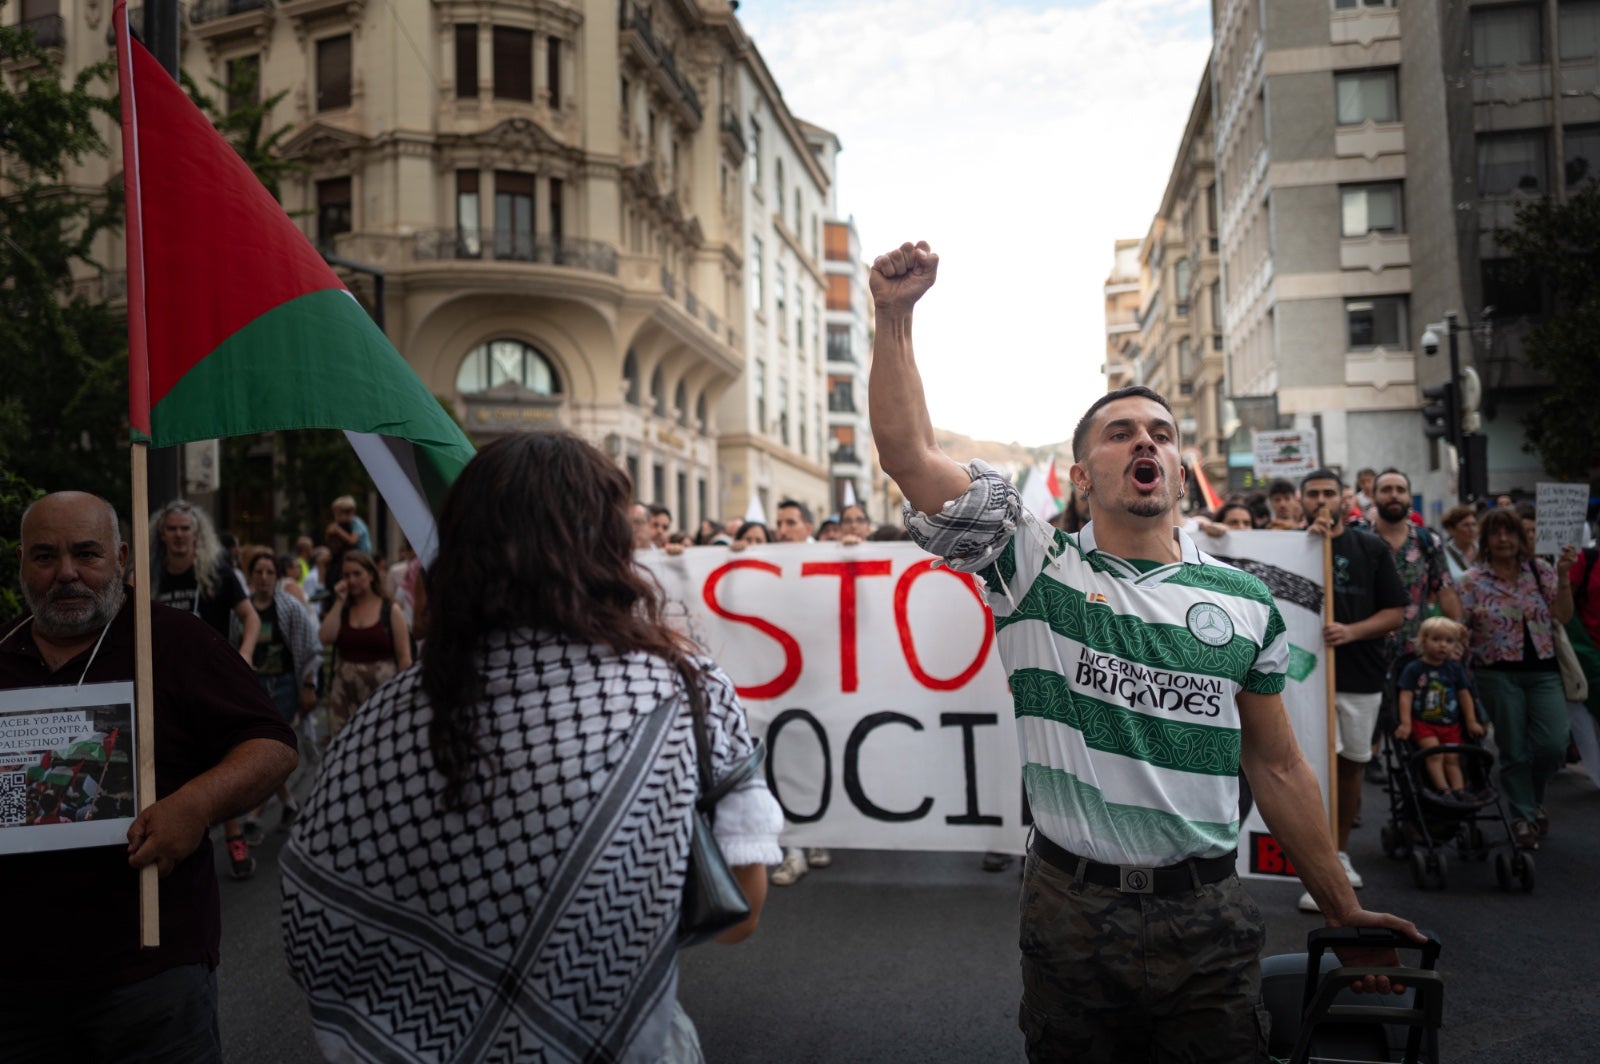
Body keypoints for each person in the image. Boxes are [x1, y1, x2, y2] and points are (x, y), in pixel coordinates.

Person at [867, 240, 1418, 1062]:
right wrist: (896, 317)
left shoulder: (1244, 601)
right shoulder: (1032, 566)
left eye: (1159, 432)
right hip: (1069, 912)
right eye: (1119, 433)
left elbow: (1277, 768)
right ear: (1083, 475)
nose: (1144, 443)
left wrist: (1339, 905)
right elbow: (911, 458)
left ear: (1179, 467)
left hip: (1208, 913)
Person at [281, 432, 781, 1062]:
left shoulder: (390, 711)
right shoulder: (678, 689)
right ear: (607, 545)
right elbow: (742, 910)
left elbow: (313, 916)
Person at [0, 492, 297, 1060]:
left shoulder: (175, 641)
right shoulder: (4, 653)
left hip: (150, 981)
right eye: (44, 556)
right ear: (21, 563)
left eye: (86, 554)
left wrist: (197, 804)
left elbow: (273, 744)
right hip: (17, 987)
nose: (66, 573)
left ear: (123, 557)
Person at [1299, 468, 1406, 912]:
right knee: (1311, 771)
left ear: (1345, 499)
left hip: (1359, 675)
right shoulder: (1291, 546)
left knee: (1351, 766)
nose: (1321, 500)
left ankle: (1339, 853)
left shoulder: (1371, 547)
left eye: (1329, 493)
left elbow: (1396, 612)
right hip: (1304, 677)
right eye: (1313, 494)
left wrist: (1352, 631)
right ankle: (1315, 863)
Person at [150, 499, 262, 878]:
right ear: (161, 534)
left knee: (218, 757)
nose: (180, 535)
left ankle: (232, 835)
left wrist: (244, 653)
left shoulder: (218, 572)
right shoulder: (151, 575)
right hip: (165, 681)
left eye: (186, 528)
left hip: (211, 680)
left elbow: (251, 618)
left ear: (197, 534)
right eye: (173, 529)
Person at [1457, 507, 1578, 849]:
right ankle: (1523, 816)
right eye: (1496, 533)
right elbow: (1459, 628)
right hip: (1496, 674)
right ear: (1486, 539)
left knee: (1553, 744)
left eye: (1510, 532)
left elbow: (1563, 616)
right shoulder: (1471, 580)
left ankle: (1532, 799)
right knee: (1513, 749)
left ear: (1523, 537)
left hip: (1543, 671)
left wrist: (1565, 576)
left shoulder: (1541, 571)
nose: (1504, 539)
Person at [767, 497, 833, 885]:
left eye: (790, 522)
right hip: (782, 681)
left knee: (822, 758)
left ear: (808, 527)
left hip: (824, 680)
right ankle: (795, 850)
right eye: (779, 523)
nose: (783, 529)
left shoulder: (829, 560)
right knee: (786, 762)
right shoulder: (764, 562)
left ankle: (821, 835)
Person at [239, 550, 321, 840]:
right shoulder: (242, 609)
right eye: (258, 572)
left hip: (284, 685)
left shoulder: (289, 608)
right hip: (253, 686)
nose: (263, 578)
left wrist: (308, 686)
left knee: (273, 748)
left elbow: (309, 648)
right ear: (250, 576)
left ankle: (254, 814)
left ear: (277, 576)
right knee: (261, 747)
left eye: (269, 572)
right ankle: (288, 803)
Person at [318, 549, 412, 740]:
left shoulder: (390, 610)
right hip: (344, 695)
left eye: (357, 574)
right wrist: (339, 602)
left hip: (382, 694)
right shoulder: (343, 610)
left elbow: (404, 657)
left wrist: (403, 696)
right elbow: (325, 637)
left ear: (370, 575)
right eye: (346, 575)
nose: (351, 580)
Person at [1370, 469, 1461, 657]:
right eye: (1386, 490)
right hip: (1369, 652)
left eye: (1400, 490)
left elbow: (1445, 591)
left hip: (1417, 653)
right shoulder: (1360, 540)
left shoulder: (1427, 542)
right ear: (1374, 497)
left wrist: (1457, 630)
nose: (1394, 495)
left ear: (1410, 497)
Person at [1394, 616, 1484, 798]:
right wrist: (1405, 723)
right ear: (1423, 641)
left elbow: (1464, 695)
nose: (1443, 645)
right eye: (1436, 640)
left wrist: (1471, 721)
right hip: (1424, 723)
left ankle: (1460, 790)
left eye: (1449, 641)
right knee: (1434, 755)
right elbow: (1406, 695)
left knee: (1453, 758)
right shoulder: (1414, 668)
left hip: (1450, 724)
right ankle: (1444, 789)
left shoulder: (1454, 669)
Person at [324, 496, 372, 575]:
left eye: (338, 515)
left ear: (350, 513)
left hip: (362, 556)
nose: (336, 518)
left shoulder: (357, 524)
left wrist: (337, 530)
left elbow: (352, 541)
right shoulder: (340, 524)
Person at [1439, 505, 1479, 580]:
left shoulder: (1484, 551)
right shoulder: (1443, 556)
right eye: (1465, 525)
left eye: (1474, 525)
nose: (1471, 529)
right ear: (1451, 529)